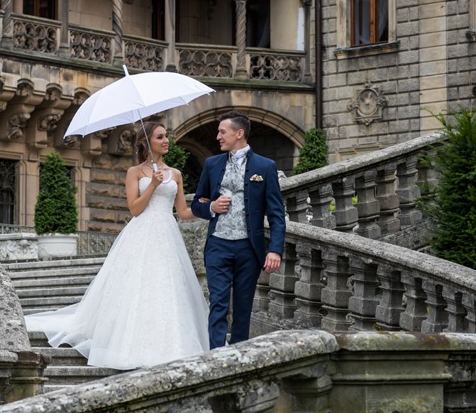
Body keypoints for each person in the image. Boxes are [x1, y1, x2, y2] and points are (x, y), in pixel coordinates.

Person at [25, 122, 209, 369]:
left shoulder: (175, 174)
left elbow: (183, 211)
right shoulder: (135, 172)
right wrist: (152, 185)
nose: (166, 140)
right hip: (142, 232)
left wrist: (207, 208)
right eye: (160, 136)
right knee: (137, 286)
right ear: (146, 142)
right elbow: (135, 209)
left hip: (167, 235)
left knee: (168, 285)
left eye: (167, 136)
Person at [191, 110, 287, 348]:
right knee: (219, 303)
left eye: (222, 132)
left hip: (249, 247)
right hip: (218, 245)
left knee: (243, 306)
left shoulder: (265, 167)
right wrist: (211, 206)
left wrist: (275, 250)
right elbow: (196, 204)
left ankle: (238, 357)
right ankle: (216, 356)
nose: (218, 137)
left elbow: (276, 214)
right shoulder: (212, 164)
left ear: (239, 133)